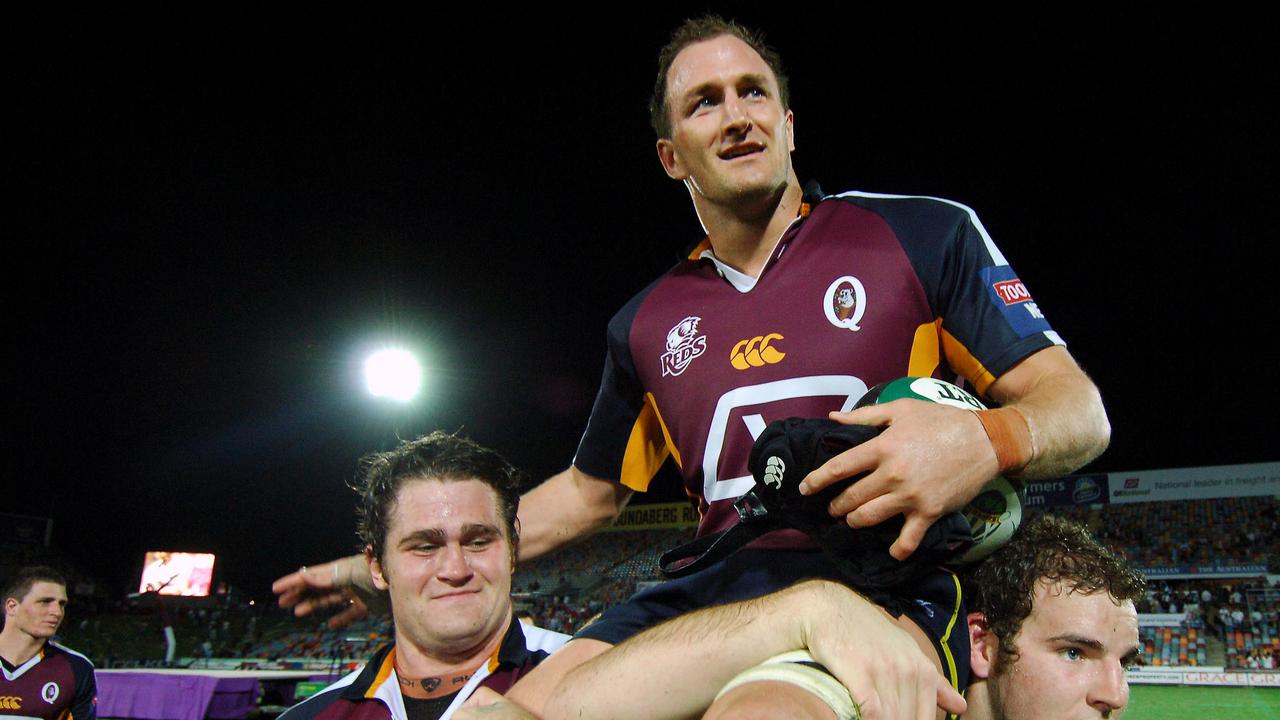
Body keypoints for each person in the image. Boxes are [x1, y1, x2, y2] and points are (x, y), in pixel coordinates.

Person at [276, 13, 1111, 714]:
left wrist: (989, 441)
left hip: (875, 590)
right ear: (673, 154)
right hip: (707, 591)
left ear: (789, 125)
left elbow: (1078, 411)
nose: (737, 114)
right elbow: (588, 495)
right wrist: (389, 564)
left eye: (755, 93)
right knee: (493, 712)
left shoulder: (921, 236)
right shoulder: (645, 322)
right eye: (705, 102)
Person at [457, 515, 1140, 720]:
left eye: (1124, 661)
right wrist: (805, 612)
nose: (1118, 695)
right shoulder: (901, 645)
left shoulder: (927, 599)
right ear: (985, 647)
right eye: (1075, 653)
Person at [279, 432, 568, 720]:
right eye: (425, 547)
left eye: (478, 542)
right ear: (377, 567)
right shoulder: (313, 716)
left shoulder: (586, 676)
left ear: (512, 552)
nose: (456, 570)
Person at [0, 567, 97, 720]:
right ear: (12, 607)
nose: (57, 612)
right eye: (45, 602)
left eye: (62, 604)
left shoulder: (76, 668)